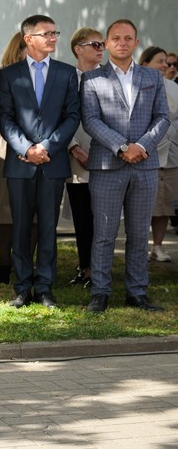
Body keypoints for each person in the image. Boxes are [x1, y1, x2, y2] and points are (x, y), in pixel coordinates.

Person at [81, 20, 169, 313]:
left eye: (128, 38)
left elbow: (163, 117)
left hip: (144, 164)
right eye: (116, 38)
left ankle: (137, 292)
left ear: (136, 43)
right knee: (104, 233)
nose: (122, 42)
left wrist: (141, 146)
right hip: (108, 165)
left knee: (139, 233)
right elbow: (90, 120)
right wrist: (122, 146)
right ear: (106, 44)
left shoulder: (152, 77)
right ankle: (100, 293)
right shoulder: (92, 79)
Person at [0, 15, 80, 309]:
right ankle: (22, 287)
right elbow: (5, 118)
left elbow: (73, 116)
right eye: (47, 33)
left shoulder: (67, 73)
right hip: (20, 163)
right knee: (20, 227)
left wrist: (47, 146)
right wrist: (26, 148)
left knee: (47, 227)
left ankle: (44, 287)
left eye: (55, 33)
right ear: (28, 39)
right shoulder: (10, 75)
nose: (53, 38)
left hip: (52, 162)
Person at [0, 32, 36, 284]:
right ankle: (5, 262)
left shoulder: (42, 75)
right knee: (1, 209)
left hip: (36, 150)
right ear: (19, 49)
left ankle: (26, 260)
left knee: (34, 210)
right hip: (1, 150)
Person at [65, 28, 104, 288]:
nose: (101, 49)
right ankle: (86, 268)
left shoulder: (110, 77)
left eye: (102, 44)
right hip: (77, 157)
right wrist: (73, 148)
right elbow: (58, 115)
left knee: (104, 217)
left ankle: (101, 268)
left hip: (108, 156)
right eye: (95, 44)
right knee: (82, 214)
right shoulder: (66, 79)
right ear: (78, 49)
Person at [137, 46, 178, 263]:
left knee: (164, 204)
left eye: (167, 62)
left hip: (171, 154)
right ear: (145, 64)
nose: (165, 66)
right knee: (143, 204)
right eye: (160, 61)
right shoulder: (136, 85)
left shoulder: (173, 87)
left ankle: (158, 246)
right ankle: (138, 246)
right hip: (144, 153)